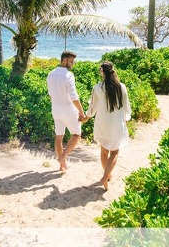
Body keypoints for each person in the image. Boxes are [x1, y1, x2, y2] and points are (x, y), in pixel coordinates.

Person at [83, 61, 131, 190]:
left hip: (102, 123)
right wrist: (126, 118)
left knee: (104, 151)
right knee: (114, 152)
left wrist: (87, 117)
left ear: (102, 72)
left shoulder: (97, 87)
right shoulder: (122, 87)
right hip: (117, 122)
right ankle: (106, 176)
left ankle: (106, 176)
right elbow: (126, 106)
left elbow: (92, 107)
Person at [47, 50, 86, 171]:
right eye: (71, 61)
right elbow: (74, 96)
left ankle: (61, 166)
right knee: (76, 134)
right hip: (68, 109)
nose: (72, 64)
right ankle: (62, 157)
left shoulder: (50, 74)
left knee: (59, 137)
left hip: (56, 109)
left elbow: (50, 95)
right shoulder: (68, 75)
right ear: (65, 60)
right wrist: (81, 111)